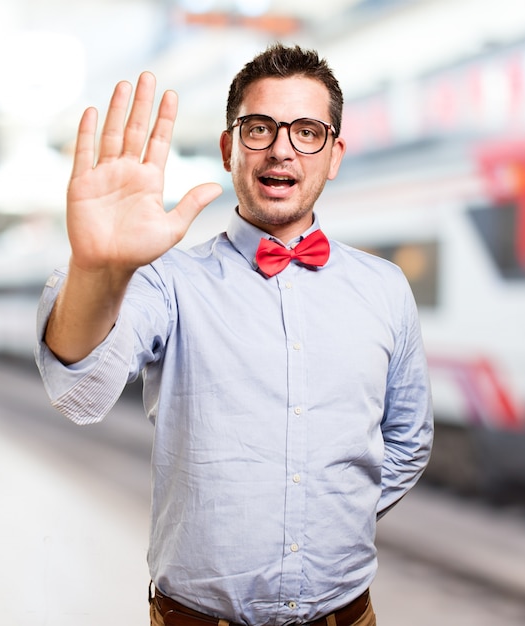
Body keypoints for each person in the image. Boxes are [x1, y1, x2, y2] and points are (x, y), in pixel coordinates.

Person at [35, 44, 433, 626]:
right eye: (258, 128)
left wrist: (328, 515)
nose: (280, 149)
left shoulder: (387, 288)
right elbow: (81, 392)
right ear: (228, 148)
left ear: (335, 154)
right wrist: (97, 271)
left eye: (307, 131)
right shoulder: (165, 281)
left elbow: (408, 438)